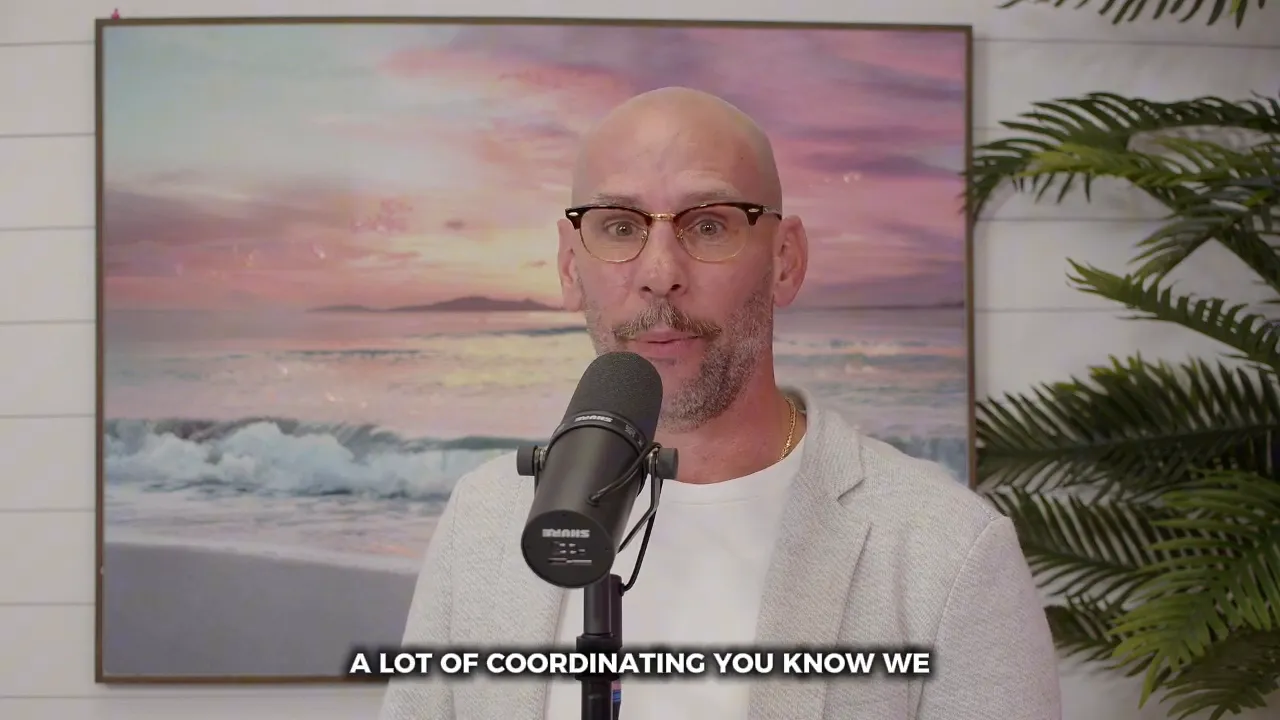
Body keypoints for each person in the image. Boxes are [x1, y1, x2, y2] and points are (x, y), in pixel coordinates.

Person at [378, 87, 1061, 720]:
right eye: (619, 227)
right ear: (568, 264)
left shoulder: (946, 552)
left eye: (708, 226)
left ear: (786, 259)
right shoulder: (485, 517)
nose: (660, 274)